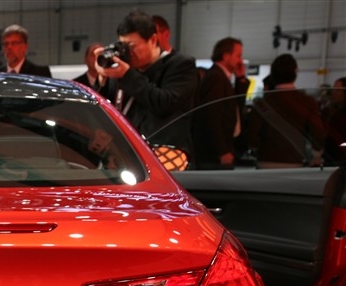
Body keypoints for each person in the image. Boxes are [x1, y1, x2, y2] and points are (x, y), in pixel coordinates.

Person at [95, 9, 198, 160]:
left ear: (153, 40)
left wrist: (128, 75)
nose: (128, 52)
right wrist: (102, 78)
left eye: (132, 46)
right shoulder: (124, 68)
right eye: (123, 46)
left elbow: (164, 103)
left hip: (166, 154)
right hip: (126, 154)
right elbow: (106, 108)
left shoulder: (180, 64)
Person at [246, 53, 325, 168]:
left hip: (265, 160)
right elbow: (318, 132)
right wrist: (316, 155)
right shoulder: (307, 101)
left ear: (273, 74)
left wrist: (255, 150)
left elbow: (252, 135)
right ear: (295, 72)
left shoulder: (261, 103)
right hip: (295, 161)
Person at [191, 37, 250, 169]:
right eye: (238, 56)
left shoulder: (221, 77)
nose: (240, 61)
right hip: (214, 153)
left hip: (220, 149)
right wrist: (222, 151)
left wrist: (241, 79)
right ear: (226, 56)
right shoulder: (216, 77)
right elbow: (212, 116)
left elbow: (235, 108)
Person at [322, 77, 345, 165]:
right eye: (333, 90)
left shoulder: (337, 116)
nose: (333, 93)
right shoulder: (329, 112)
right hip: (331, 159)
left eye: (338, 90)